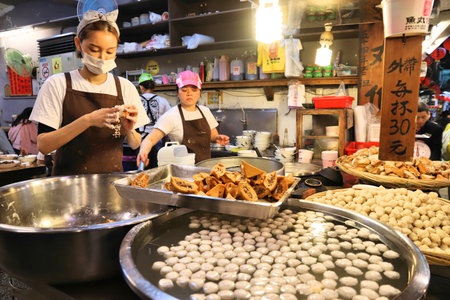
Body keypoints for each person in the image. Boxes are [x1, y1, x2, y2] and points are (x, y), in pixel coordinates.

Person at [30, 9, 149, 175]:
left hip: (111, 183)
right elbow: (44, 144)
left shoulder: (125, 87)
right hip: (68, 185)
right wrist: (87, 121)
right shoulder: (57, 84)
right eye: (94, 49)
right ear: (79, 44)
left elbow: (136, 144)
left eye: (110, 51)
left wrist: (128, 129)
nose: (102, 58)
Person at [137, 70, 229, 166]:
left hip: (205, 170)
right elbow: (150, 139)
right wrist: (143, 152)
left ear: (199, 92)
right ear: (178, 92)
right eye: (184, 90)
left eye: (194, 90)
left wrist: (217, 138)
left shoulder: (205, 111)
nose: (189, 93)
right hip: (182, 173)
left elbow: (212, 136)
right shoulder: (171, 115)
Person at [137, 72, 171, 168]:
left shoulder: (136, 100)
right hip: (158, 138)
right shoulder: (162, 100)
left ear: (141, 87)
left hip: (140, 138)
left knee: (142, 166)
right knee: (158, 167)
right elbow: (169, 121)